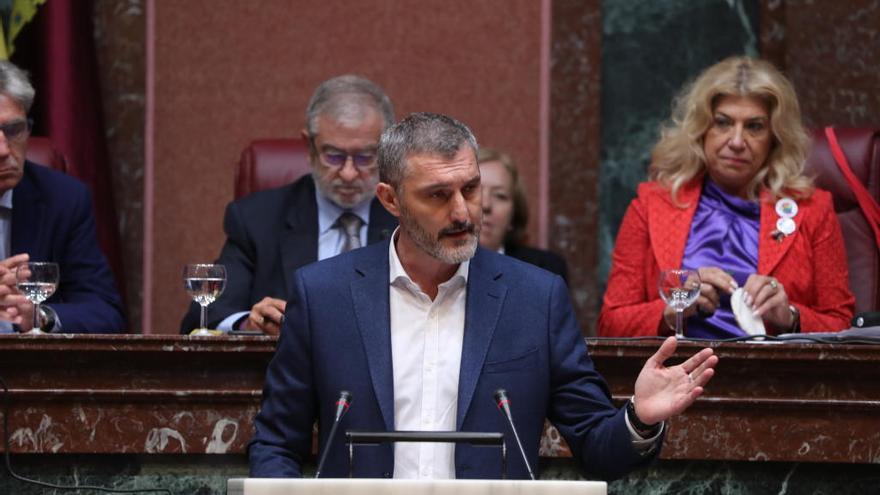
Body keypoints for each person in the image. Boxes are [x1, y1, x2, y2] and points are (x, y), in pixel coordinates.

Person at [248, 112, 718, 480]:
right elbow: (276, 443)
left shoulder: (535, 297)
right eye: (436, 195)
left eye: (470, 189)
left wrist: (639, 418)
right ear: (390, 200)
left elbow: (599, 449)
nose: (462, 212)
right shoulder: (323, 294)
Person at [598, 56, 854, 339]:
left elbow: (842, 325)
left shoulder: (812, 209)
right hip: (676, 373)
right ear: (701, 129)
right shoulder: (651, 205)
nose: (736, 141)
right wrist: (673, 310)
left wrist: (790, 316)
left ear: (775, 136)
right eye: (723, 123)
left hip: (777, 377)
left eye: (754, 126)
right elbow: (610, 324)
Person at [180, 75, 399, 335]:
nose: (349, 173)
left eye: (365, 157)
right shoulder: (257, 220)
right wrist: (250, 324)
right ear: (309, 146)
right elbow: (204, 318)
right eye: (334, 156)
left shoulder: (408, 219)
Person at [0, 61, 125, 333]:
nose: (3, 150)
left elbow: (105, 311)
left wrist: (38, 315)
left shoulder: (63, 200)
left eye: (13, 131)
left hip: (30, 371)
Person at [477, 147, 568, 282]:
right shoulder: (435, 267)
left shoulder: (544, 272)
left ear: (513, 216)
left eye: (500, 196)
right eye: (474, 191)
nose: (486, 205)